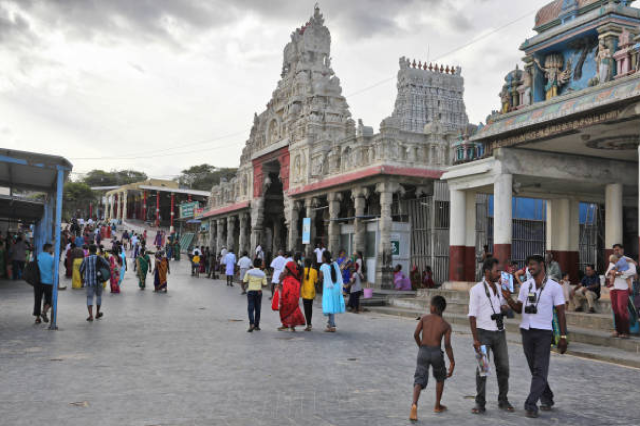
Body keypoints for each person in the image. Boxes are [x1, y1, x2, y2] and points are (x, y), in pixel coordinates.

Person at [501, 254, 568, 418]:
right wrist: (508, 298)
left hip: (544, 332)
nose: (529, 268)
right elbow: (519, 309)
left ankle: (530, 404)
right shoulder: (526, 286)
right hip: (526, 330)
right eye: (528, 265)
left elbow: (561, 312)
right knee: (535, 369)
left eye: (532, 265)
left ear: (541, 265)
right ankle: (547, 397)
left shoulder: (554, 287)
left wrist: (563, 337)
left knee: (540, 369)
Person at [468, 258, 513, 415]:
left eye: (500, 271)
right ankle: (480, 403)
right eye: (496, 271)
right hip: (482, 333)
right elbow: (472, 316)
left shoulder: (500, 288)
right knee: (483, 369)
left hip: (500, 332)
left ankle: (503, 399)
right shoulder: (476, 290)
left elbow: (501, 305)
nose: (499, 273)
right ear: (487, 271)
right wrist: (475, 339)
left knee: (504, 368)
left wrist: (507, 306)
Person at [409, 296, 455, 421]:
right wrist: (452, 362)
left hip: (423, 351)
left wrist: (421, 347)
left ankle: (414, 405)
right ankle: (437, 405)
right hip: (436, 353)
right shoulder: (446, 325)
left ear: (433, 307)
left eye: (430, 305)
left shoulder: (424, 318)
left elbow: (415, 334)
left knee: (419, 379)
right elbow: (447, 345)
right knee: (440, 378)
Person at [605, 243, 636, 339]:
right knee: (615, 310)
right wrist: (612, 273)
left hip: (623, 288)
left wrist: (619, 274)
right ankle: (618, 330)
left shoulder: (627, 260)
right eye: (614, 250)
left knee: (622, 309)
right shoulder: (612, 260)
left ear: (622, 250)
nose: (616, 251)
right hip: (613, 288)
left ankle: (626, 332)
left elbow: (632, 272)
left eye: (618, 249)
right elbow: (607, 274)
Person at [80, 245, 109, 321]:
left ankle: (90, 315)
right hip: (99, 280)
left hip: (89, 281)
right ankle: (97, 313)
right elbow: (107, 265)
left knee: (89, 298)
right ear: (96, 250)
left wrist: (82, 279)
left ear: (89, 250)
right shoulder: (100, 258)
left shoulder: (86, 259)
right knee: (99, 296)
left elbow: (81, 270)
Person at [319, 250, 345, 332]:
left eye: (322, 256)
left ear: (324, 258)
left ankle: (332, 325)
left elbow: (320, 278)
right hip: (336, 287)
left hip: (328, 288)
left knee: (330, 306)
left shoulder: (323, 266)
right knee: (332, 305)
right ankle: (330, 322)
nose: (321, 258)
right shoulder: (335, 264)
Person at [277, 261, 306, 331]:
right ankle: (292, 325)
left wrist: (279, 282)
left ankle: (285, 324)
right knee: (294, 305)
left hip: (289, 285)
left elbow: (284, 273)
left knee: (284, 305)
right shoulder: (299, 267)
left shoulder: (289, 264)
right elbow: (301, 279)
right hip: (296, 287)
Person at [244, 258, 267, 332]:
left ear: (253, 264)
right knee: (258, 308)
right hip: (259, 292)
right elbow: (265, 284)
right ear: (260, 265)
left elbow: (244, 281)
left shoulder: (249, 272)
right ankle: (257, 325)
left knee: (250, 309)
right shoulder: (262, 273)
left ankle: (251, 324)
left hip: (250, 291)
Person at [34, 243, 55, 324]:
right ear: (48, 249)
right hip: (48, 282)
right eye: (52, 249)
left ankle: (37, 318)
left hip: (38, 282)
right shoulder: (51, 258)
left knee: (38, 299)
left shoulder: (37, 257)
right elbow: (54, 270)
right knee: (49, 299)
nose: (53, 250)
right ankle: (44, 311)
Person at [301, 257, 317, 331]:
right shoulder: (314, 271)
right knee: (310, 308)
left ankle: (308, 324)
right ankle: (309, 323)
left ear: (305, 263)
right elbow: (316, 281)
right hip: (311, 291)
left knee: (306, 308)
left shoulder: (303, 270)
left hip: (304, 292)